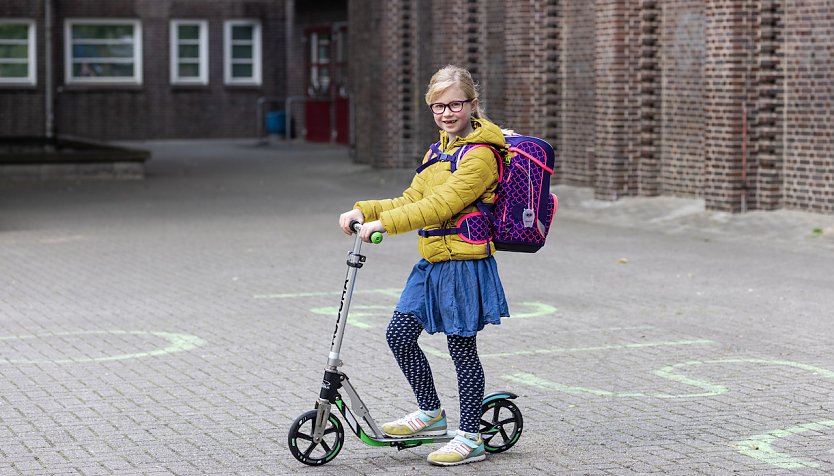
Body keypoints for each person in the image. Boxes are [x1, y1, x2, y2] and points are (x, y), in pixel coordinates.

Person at [338, 65, 509, 466]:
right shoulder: (438, 151)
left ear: (472, 104)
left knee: (461, 349)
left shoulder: (482, 155)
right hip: (432, 262)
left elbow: (442, 205)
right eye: (437, 107)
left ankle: (471, 437)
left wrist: (385, 225)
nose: (447, 113)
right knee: (398, 335)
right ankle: (431, 413)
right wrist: (363, 209)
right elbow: (411, 198)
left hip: (464, 265)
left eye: (454, 104)